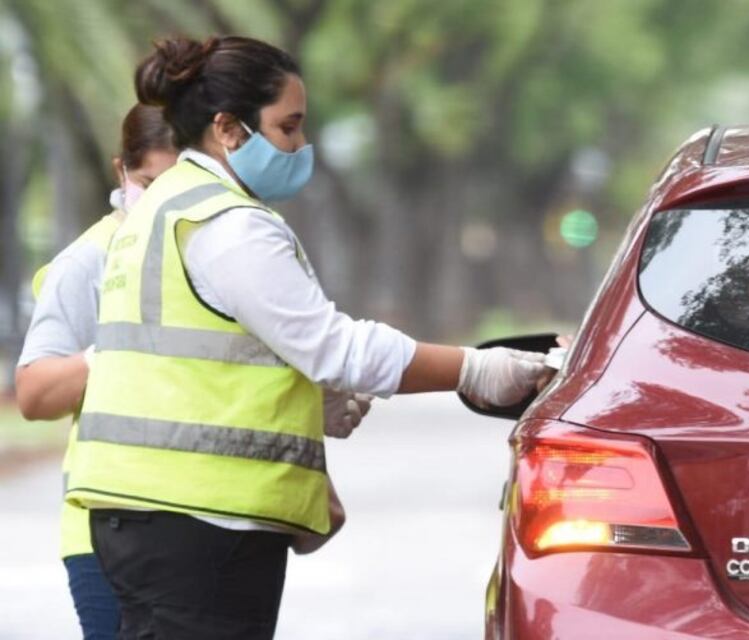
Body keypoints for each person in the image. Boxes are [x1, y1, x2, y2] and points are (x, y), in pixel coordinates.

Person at [65, 35, 549, 639]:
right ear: (229, 129)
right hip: (202, 527)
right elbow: (334, 346)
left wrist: (309, 398)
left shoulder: (160, 211)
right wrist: (474, 369)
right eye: (287, 127)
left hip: (135, 518)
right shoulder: (226, 223)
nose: (300, 146)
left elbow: (204, 349)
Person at [14, 104, 177, 640]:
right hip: (106, 533)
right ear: (120, 173)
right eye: (147, 182)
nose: (158, 200)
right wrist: (110, 355)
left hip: (199, 528)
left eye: (175, 184)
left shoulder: (213, 249)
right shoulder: (87, 261)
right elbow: (34, 392)